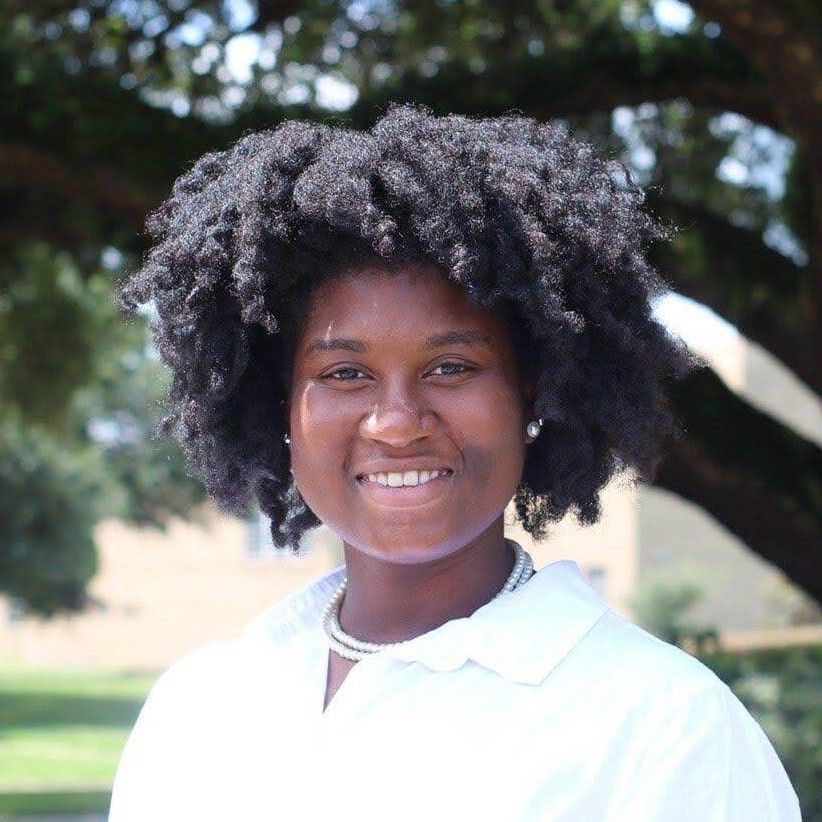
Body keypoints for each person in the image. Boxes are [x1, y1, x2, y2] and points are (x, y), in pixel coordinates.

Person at [109, 103, 800, 821]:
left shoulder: (665, 727)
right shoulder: (197, 708)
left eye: (451, 367)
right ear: (278, 403)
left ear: (534, 392)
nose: (396, 422)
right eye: (345, 373)